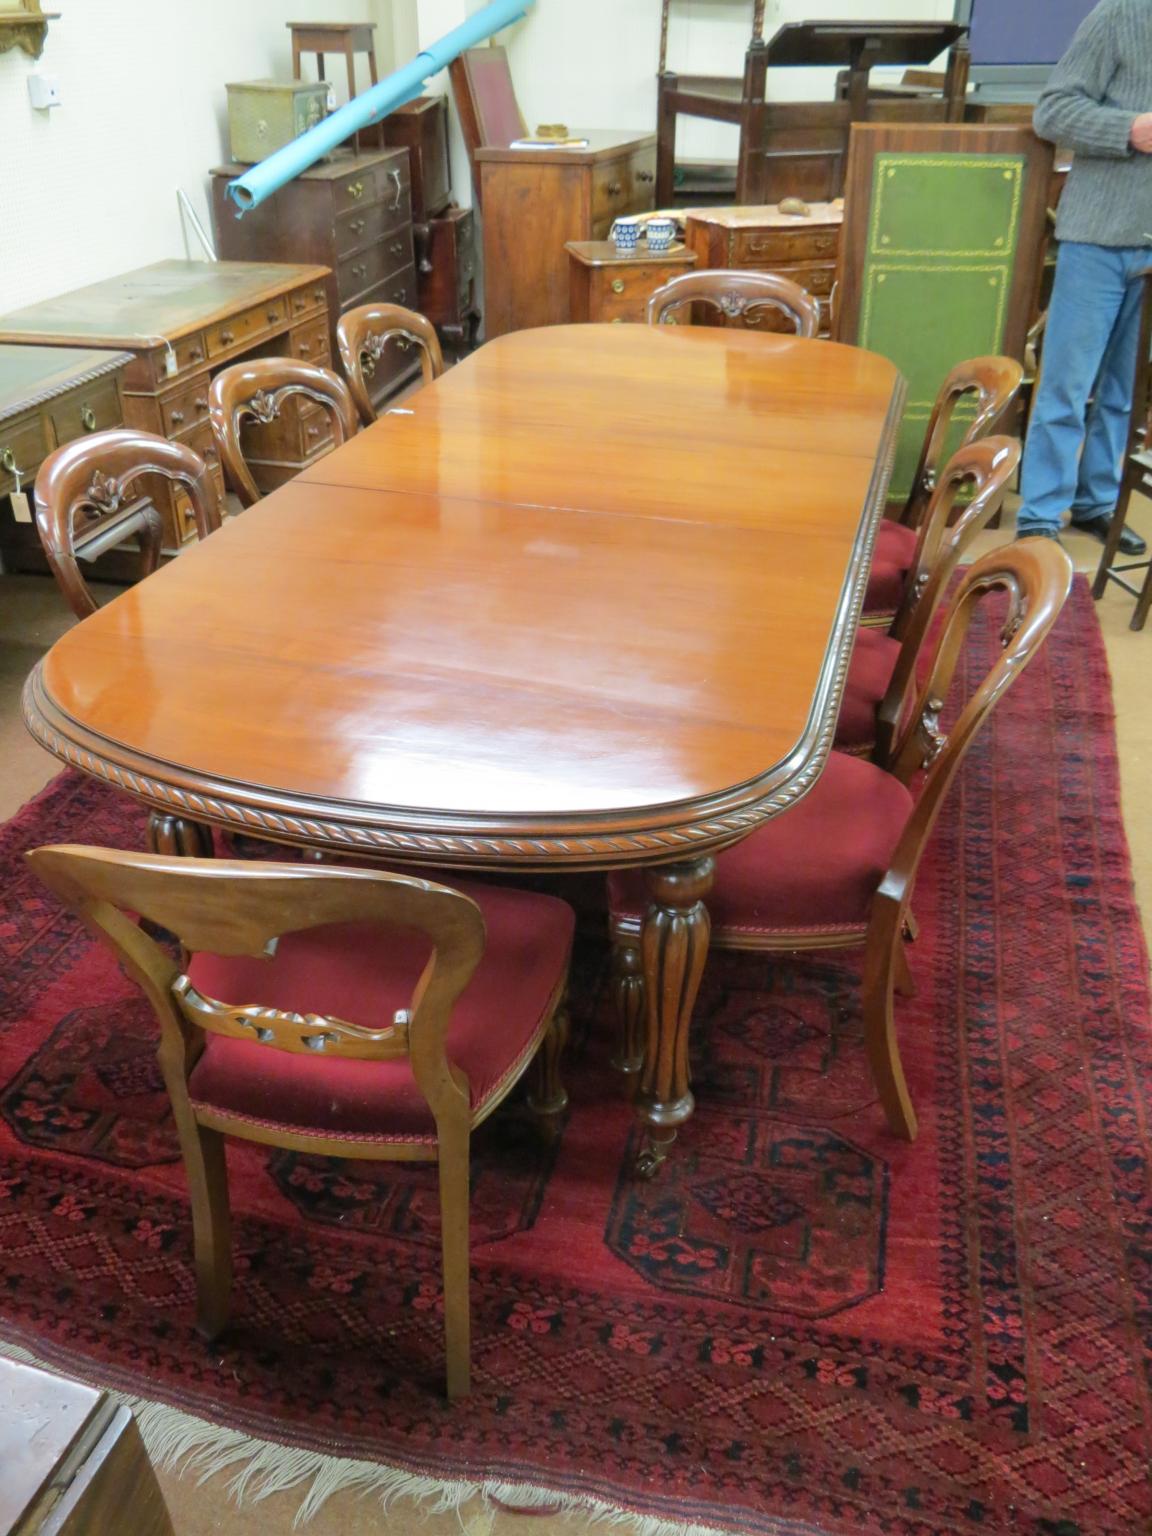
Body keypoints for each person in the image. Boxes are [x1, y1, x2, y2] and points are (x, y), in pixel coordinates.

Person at [1017, 0, 1152, 553]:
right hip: (1096, 238)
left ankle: (1096, 503)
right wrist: (1129, 128)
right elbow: (1052, 112)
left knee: (1124, 392)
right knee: (1067, 387)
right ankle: (1040, 515)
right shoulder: (1120, 14)